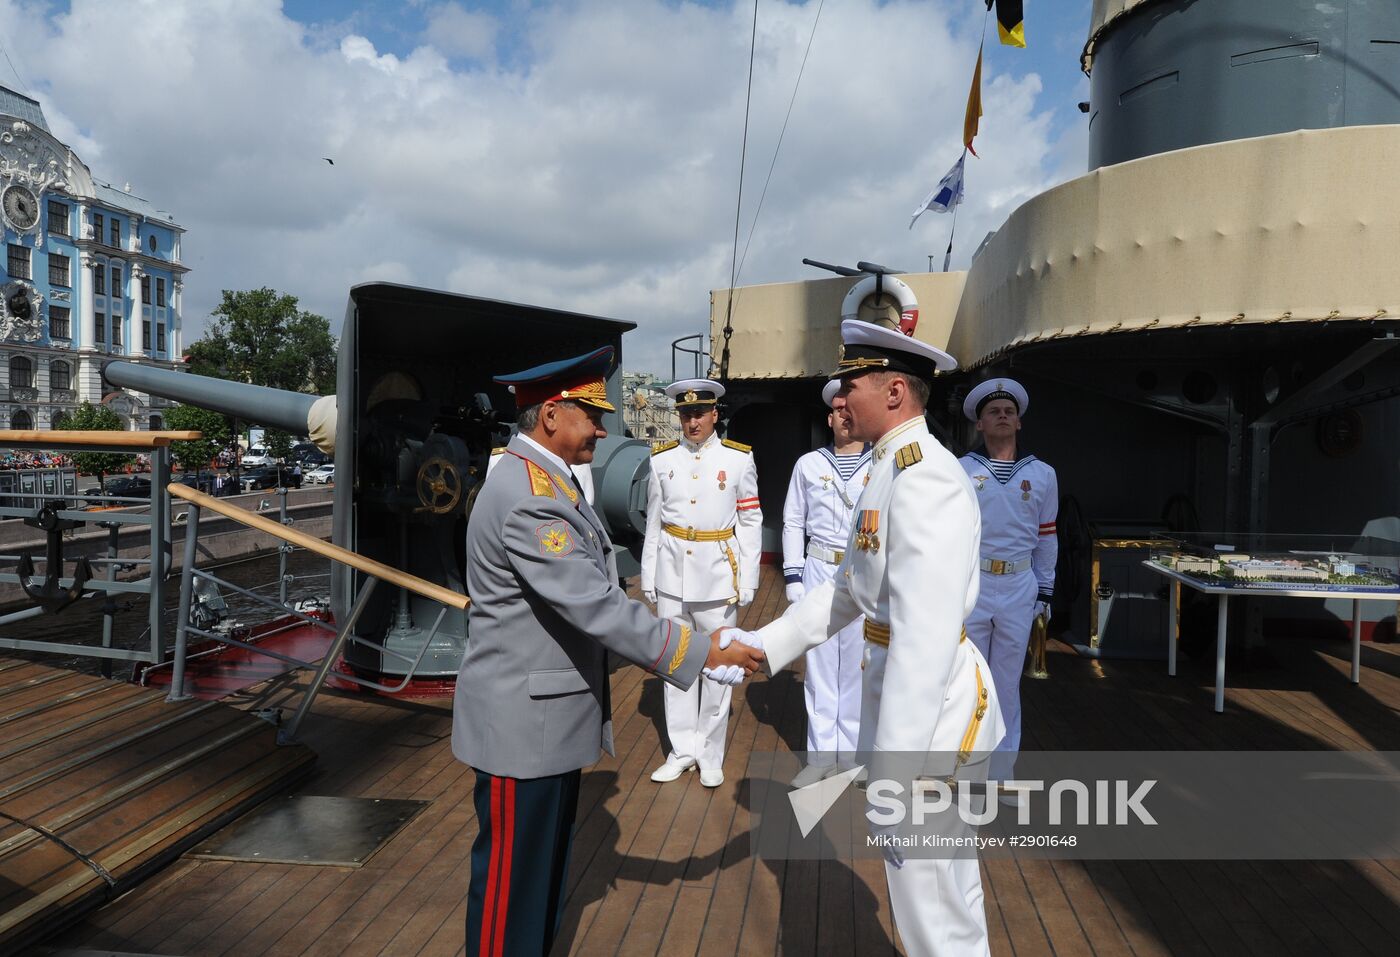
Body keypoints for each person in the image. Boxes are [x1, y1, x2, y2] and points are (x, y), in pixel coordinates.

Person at [451, 346, 764, 957]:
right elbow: (596, 607)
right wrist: (702, 651)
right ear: (549, 417)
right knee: (509, 895)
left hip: (543, 726)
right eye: (591, 414)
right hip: (523, 729)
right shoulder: (528, 495)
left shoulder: (548, 480)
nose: (602, 427)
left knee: (538, 885)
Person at [733, 320, 1005, 957]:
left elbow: (924, 640)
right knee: (931, 899)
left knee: (935, 907)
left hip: (930, 725)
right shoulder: (889, 467)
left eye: (850, 383)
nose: (838, 399)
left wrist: (895, 774)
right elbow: (848, 590)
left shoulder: (925, 478)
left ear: (893, 393)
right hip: (905, 713)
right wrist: (767, 647)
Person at [641, 378, 762, 788]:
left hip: (716, 578)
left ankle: (710, 754)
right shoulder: (661, 461)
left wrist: (748, 577)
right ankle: (682, 749)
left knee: (719, 667)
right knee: (674, 665)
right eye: (685, 414)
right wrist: (648, 573)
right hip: (672, 577)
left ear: (714, 415)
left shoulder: (739, 460)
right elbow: (654, 523)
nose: (692, 422)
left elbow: (750, 520)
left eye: (699, 414)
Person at [959, 378, 1057, 786]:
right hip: (974, 583)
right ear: (979, 424)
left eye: (1009, 411)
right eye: (993, 412)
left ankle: (1001, 771)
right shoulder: (961, 469)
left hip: (1019, 585)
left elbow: (1047, 535)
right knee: (968, 681)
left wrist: (1045, 590)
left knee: (1006, 683)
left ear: (1019, 422)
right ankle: (967, 769)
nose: (1002, 416)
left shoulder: (1043, 474)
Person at [781, 378, 870, 787]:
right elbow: (793, 520)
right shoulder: (808, 464)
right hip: (819, 568)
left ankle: (850, 756)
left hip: (862, 573)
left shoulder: (880, 463)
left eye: (850, 408)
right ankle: (819, 758)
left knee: (855, 668)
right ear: (830, 417)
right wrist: (793, 575)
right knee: (818, 666)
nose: (844, 415)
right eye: (838, 409)